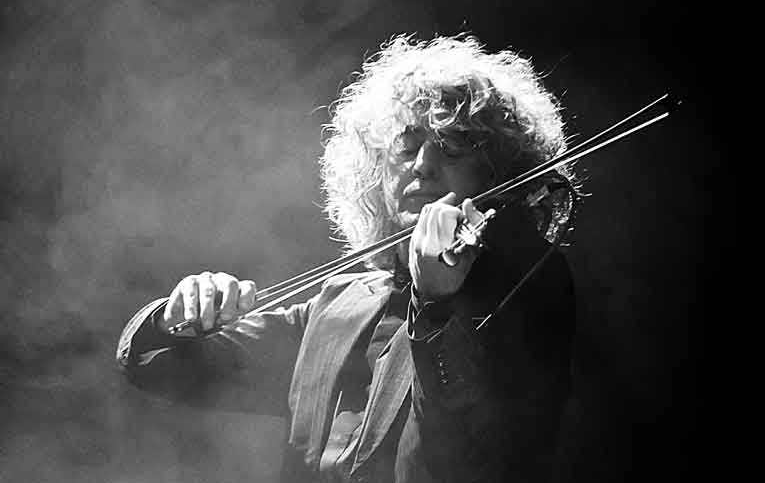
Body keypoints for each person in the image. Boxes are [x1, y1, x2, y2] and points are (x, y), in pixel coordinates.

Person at [117, 34, 577, 483]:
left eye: (453, 146)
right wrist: (175, 316)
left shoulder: (525, 286)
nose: (423, 165)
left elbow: (464, 462)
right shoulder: (336, 304)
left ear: (498, 170)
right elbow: (154, 365)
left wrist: (435, 307)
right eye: (407, 145)